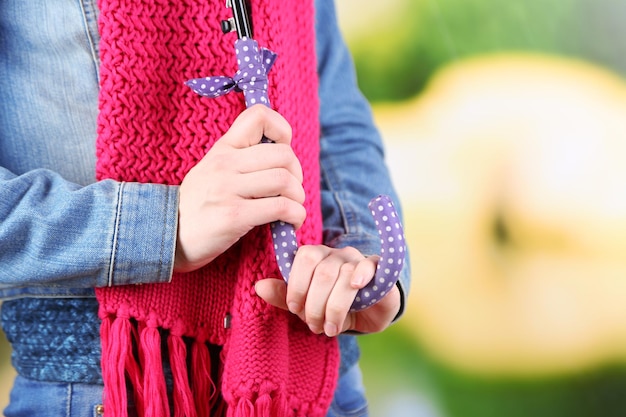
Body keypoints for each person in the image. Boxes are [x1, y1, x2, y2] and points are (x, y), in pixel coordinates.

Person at [0, 0, 410, 416]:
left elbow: (336, 117)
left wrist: (358, 258)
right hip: (114, 389)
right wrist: (165, 225)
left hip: (316, 380)